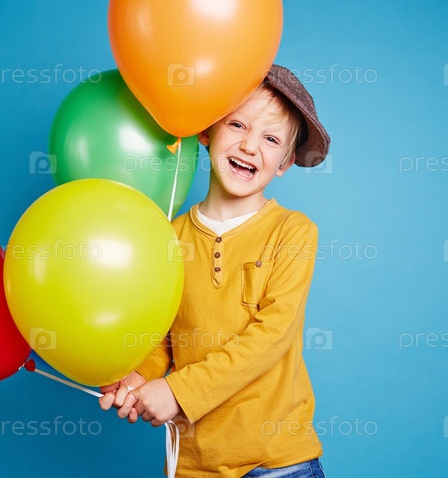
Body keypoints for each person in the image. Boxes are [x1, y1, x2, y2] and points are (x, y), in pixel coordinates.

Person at [100, 64, 331, 478]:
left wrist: (177, 392)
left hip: (278, 461)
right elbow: (164, 336)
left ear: (285, 162)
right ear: (207, 131)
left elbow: (272, 335)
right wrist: (138, 376)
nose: (249, 146)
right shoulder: (169, 237)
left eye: (271, 139)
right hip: (195, 464)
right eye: (238, 125)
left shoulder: (293, 232)